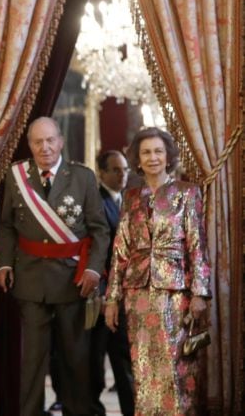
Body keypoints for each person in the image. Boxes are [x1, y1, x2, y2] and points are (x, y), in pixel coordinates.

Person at [0, 116, 109, 416]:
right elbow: (6, 226)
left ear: (60, 141)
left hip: (73, 281)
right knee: (32, 362)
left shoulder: (82, 177)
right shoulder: (16, 176)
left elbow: (99, 230)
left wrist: (93, 270)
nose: (44, 147)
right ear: (30, 145)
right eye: (37, 142)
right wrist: (4, 264)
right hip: (31, 281)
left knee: (75, 360)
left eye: (50, 140)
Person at [105, 127, 211, 415]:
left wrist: (201, 293)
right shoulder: (131, 197)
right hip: (137, 294)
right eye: (146, 152)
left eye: (158, 151)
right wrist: (112, 298)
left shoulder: (187, 193)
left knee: (176, 367)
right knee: (144, 367)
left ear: (168, 157)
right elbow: (120, 252)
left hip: (177, 293)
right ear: (138, 160)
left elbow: (197, 245)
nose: (153, 157)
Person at [91, 150, 134, 416]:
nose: (122, 175)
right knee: (95, 362)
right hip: (100, 295)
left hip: (124, 296)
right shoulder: (95, 201)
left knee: (124, 361)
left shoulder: (128, 201)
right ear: (102, 173)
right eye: (116, 170)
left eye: (126, 169)